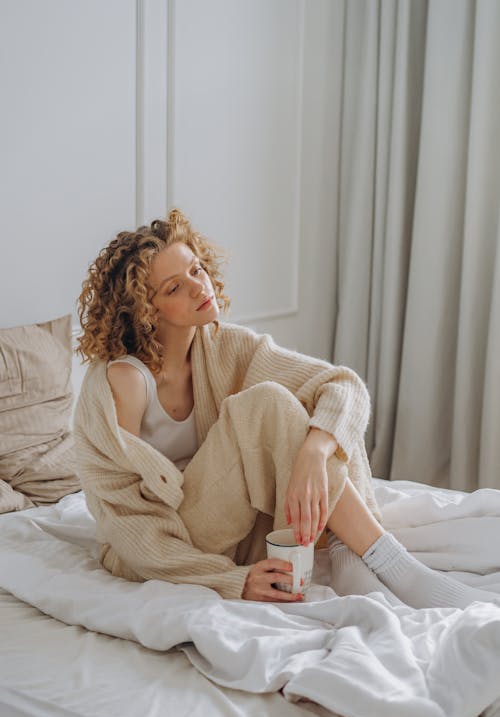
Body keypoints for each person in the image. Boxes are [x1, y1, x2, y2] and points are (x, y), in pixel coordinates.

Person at [74, 208, 498, 609]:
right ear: (146, 311)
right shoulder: (122, 384)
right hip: (155, 547)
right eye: (174, 287)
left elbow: (342, 386)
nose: (199, 286)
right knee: (268, 405)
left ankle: (351, 559)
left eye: (196, 270)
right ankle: (397, 567)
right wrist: (229, 581)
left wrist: (314, 452)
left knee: (325, 420)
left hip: (229, 527)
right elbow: (126, 523)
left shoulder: (223, 345)